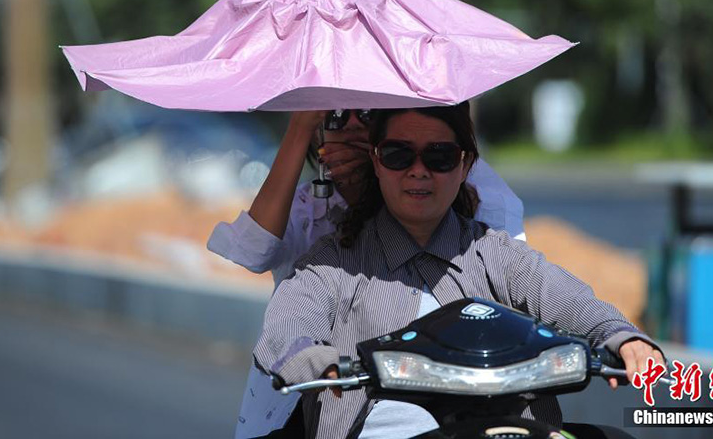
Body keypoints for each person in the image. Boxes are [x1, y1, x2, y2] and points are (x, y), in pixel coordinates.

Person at [254, 103, 664, 439]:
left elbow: (565, 297)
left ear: (465, 164)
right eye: (399, 155)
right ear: (377, 163)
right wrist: (312, 359)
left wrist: (622, 338)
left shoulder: (496, 253)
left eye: (439, 156)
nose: (419, 170)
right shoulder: (333, 263)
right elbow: (288, 326)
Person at [207, 109, 526, 438]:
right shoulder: (316, 228)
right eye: (336, 117)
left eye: (367, 114)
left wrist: (381, 178)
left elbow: (517, 274)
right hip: (311, 397)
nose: (354, 127)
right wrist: (300, 127)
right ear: (319, 136)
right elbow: (254, 257)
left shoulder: (464, 194)